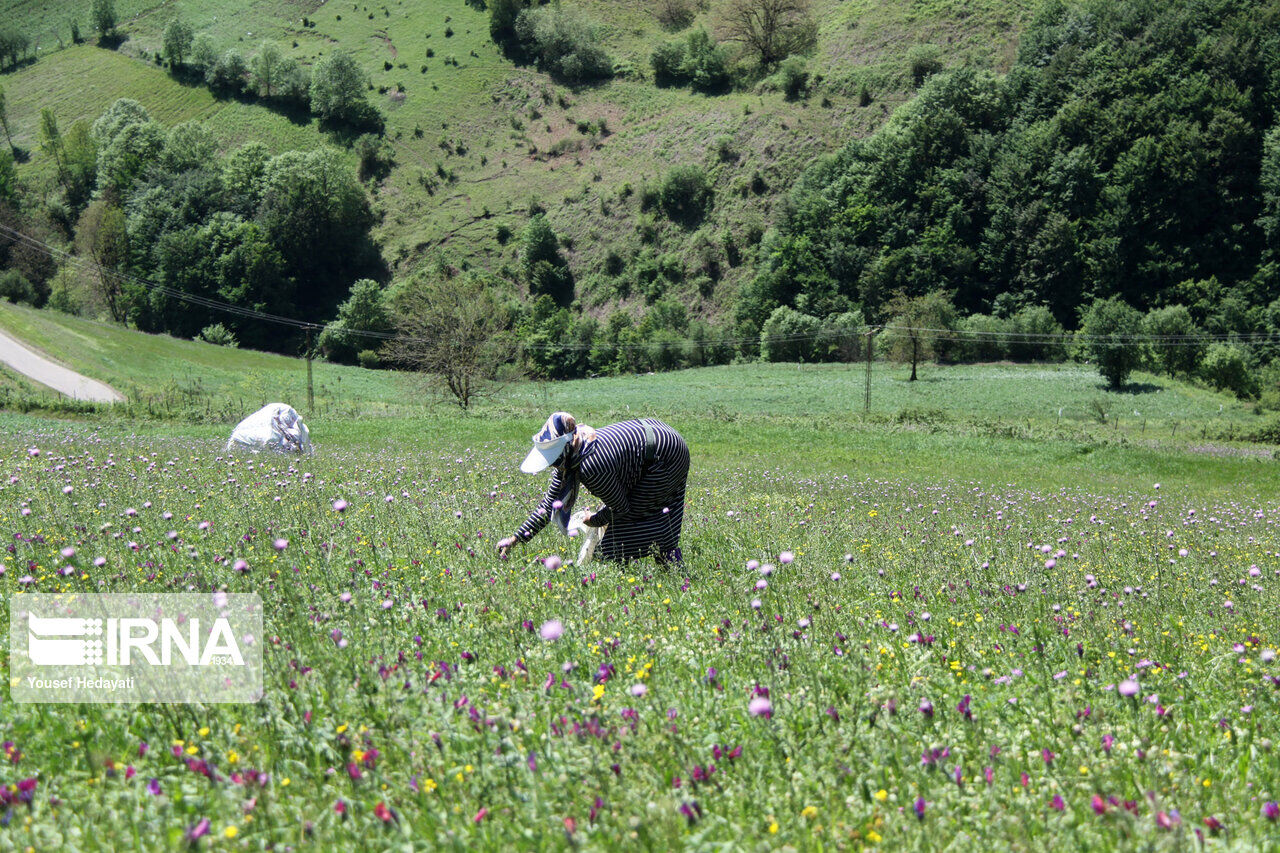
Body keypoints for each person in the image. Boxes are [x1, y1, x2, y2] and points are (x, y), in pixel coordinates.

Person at [497, 412, 689, 565]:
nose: (551, 466)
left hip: (666, 455)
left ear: (562, 451)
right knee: (637, 526)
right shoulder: (574, 448)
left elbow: (621, 508)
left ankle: (670, 563)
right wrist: (516, 539)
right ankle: (668, 561)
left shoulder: (592, 466)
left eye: (552, 460)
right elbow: (549, 505)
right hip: (655, 442)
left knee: (616, 544)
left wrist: (595, 520)